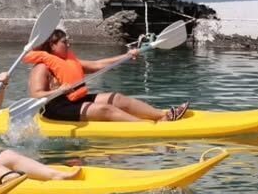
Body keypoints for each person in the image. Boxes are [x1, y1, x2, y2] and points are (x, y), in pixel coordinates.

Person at [25, 29, 189, 123]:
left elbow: (97, 65)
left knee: (116, 98)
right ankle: (146, 126)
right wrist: (59, 90)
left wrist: (126, 55)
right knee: (105, 109)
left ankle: (162, 115)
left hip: (75, 100)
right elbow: (36, 95)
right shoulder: (41, 67)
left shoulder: (67, 61)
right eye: (64, 42)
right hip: (56, 109)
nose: (69, 44)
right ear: (52, 46)